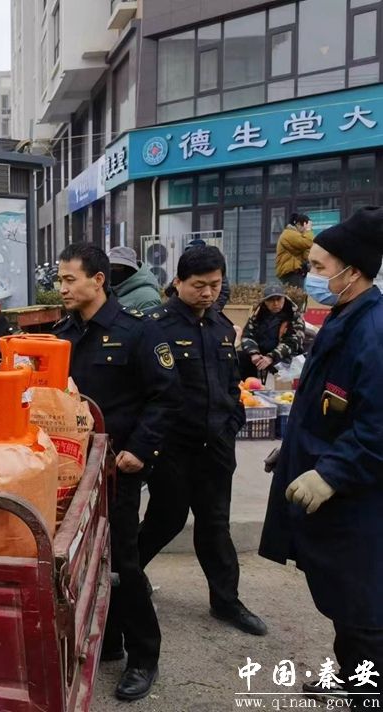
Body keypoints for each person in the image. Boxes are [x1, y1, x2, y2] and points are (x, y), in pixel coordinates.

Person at [259, 207, 383, 699]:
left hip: (360, 502)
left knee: (364, 611)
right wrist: (292, 451)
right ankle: (354, 681)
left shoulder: (373, 333)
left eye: (317, 267)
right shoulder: (345, 317)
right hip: (338, 495)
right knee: (344, 603)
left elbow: (376, 427)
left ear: (352, 271)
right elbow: (325, 406)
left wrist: (329, 473)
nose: (308, 276)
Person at [53, 243, 180, 702]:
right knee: (84, 563)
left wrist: (141, 450)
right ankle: (108, 640)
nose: (61, 288)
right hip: (74, 474)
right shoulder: (64, 334)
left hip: (116, 470)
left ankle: (144, 656)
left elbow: (166, 396)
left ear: (98, 280)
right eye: (60, 280)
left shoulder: (138, 331)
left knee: (123, 563)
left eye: (70, 279)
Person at [138, 246, 268, 638]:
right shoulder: (155, 327)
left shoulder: (221, 326)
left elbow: (231, 383)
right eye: (199, 285)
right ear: (178, 282)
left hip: (217, 445)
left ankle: (226, 601)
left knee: (215, 524)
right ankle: (124, 576)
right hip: (173, 448)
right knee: (166, 518)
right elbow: (145, 390)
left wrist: (233, 421)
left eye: (215, 284)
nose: (208, 292)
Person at [238, 285, 305, 380]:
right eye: (271, 300)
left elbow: (293, 342)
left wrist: (271, 357)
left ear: (284, 299)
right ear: (265, 302)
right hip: (261, 354)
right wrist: (253, 353)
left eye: (279, 299)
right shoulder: (258, 315)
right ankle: (247, 386)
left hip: (284, 356)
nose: (275, 303)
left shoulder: (294, 315)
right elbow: (247, 335)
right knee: (239, 357)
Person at [108, 246, 162, 311]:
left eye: (117, 266)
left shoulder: (147, 296)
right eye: (108, 266)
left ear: (131, 269)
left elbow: (150, 318)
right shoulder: (111, 292)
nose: (111, 270)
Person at [275, 213, 314, 289]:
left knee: (299, 295)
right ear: (298, 224)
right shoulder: (289, 234)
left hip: (296, 272)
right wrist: (308, 231)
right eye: (306, 226)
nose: (308, 229)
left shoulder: (297, 235)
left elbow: (306, 254)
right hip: (290, 272)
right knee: (296, 295)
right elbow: (308, 242)